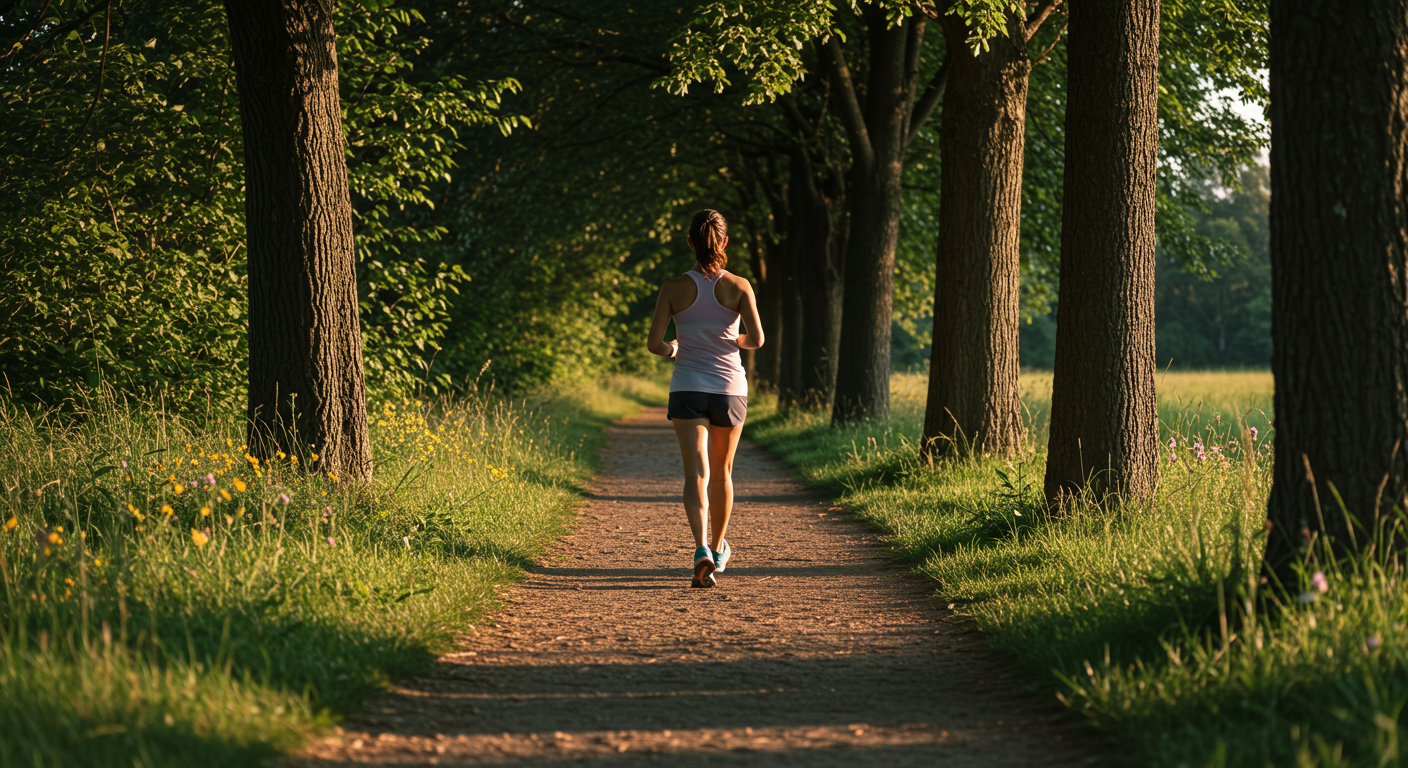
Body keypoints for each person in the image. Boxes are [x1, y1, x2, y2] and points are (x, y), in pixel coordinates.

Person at [646, 209, 764, 588]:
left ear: (690, 243)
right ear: (724, 242)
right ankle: (717, 550)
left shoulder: (672, 288)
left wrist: (675, 349)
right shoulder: (740, 286)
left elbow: (654, 344)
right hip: (729, 389)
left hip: (687, 387)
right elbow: (757, 340)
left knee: (696, 472)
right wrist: (736, 341)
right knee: (723, 473)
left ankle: (699, 548)